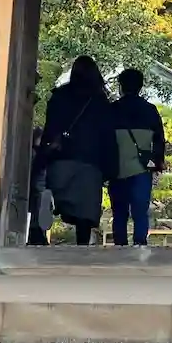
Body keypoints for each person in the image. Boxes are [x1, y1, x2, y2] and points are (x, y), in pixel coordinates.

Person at [40, 55, 112, 245]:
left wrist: (43, 155)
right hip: (90, 161)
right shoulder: (100, 101)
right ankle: (82, 246)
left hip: (62, 157)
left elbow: (50, 127)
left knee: (56, 198)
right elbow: (108, 135)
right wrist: (109, 166)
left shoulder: (60, 95)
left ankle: (39, 233)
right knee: (85, 211)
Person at [106, 67, 166, 247]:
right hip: (141, 167)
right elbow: (159, 139)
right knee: (140, 211)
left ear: (121, 86)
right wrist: (156, 162)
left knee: (119, 212)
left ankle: (120, 245)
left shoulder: (113, 109)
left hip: (117, 167)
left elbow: (104, 140)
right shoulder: (150, 110)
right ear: (140, 86)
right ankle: (140, 244)